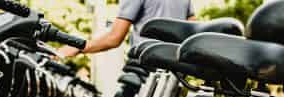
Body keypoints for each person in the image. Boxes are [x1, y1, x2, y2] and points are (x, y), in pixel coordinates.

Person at [57, 0, 194, 59]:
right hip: (174, 66)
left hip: (145, 63)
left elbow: (114, 38)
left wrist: (77, 47)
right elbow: (192, 30)